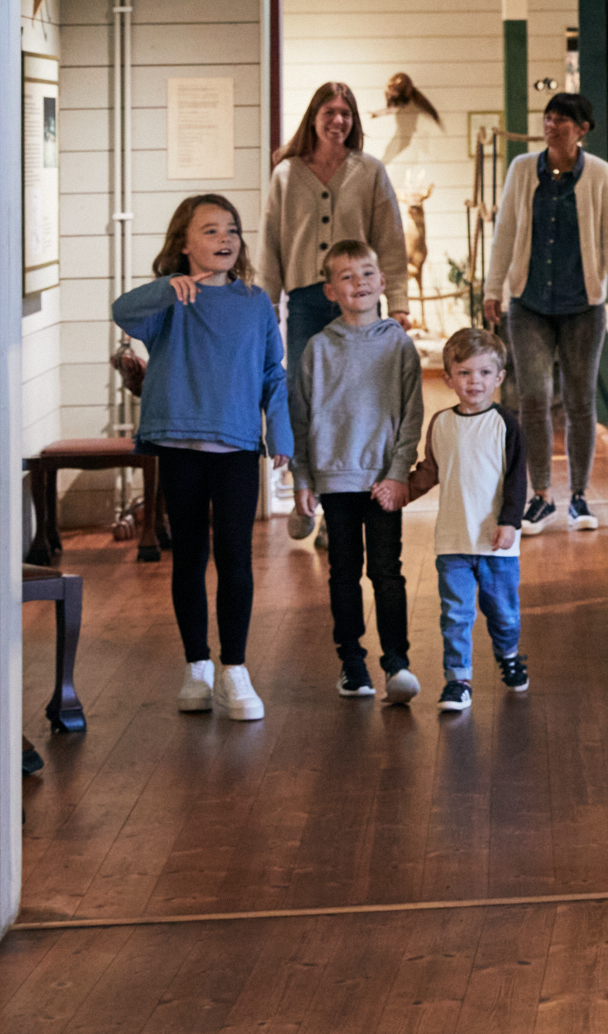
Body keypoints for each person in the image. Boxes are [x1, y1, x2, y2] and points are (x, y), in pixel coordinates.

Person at [112, 193, 293, 722]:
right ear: (184, 245)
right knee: (189, 556)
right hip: (176, 442)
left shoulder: (255, 301)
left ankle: (234, 670)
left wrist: (280, 432)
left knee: (236, 556)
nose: (226, 239)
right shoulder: (168, 299)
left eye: (232, 230)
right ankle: (197, 666)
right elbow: (122, 311)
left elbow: (272, 373)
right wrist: (166, 287)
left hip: (236, 445)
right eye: (211, 231)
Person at [258, 81, 410, 541]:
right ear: (313, 117)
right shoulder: (286, 174)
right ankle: (307, 489)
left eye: (346, 112)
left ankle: (337, 510)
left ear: (354, 120)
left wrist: (398, 303)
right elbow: (270, 241)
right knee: (305, 398)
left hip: (362, 302)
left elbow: (391, 242)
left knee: (358, 403)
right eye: (330, 111)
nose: (338, 120)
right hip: (306, 299)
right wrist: (264, 304)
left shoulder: (370, 171)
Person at [483, 91, 608, 533]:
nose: (551, 125)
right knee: (533, 397)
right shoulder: (523, 169)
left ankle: (580, 498)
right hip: (528, 303)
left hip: (583, 305)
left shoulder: (600, 174)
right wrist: (493, 287)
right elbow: (505, 229)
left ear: (582, 128)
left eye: (562, 120)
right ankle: (541, 494)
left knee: (581, 399)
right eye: (547, 118)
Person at [289, 240, 426, 704]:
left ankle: (397, 664)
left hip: (382, 482)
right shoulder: (317, 349)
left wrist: (399, 473)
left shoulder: (399, 345)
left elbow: (412, 415)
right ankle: (352, 663)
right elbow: (302, 418)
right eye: (346, 277)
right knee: (343, 572)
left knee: (388, 571)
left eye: (366, 274)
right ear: (330, 291)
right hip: (334, 479)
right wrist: (303, 479)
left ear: (382, 282)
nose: (359, 284)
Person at [406, 326, 529, 717]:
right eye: (464, 373)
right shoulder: (441, 423)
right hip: (453, 543)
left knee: (503, 613)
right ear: (448, 379)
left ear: (499, 378)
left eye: (484, 373)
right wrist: (400, 493)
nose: (474, 381)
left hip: (496, 543)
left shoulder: (506, 424)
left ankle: (508, 654)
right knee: (455, 615)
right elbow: (430, 470)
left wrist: (510, 522)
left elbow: (517, 478)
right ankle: (458, 680)